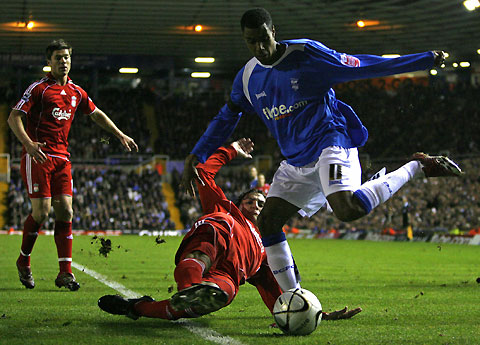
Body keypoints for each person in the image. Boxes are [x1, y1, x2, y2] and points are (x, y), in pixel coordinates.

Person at [181, 8, 463, 292]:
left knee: (347, 208)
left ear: (273, 31)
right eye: (251, 41)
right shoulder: (247, 77)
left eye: (263, 38)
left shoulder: (306, 54)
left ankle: (416, 168)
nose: (259, 47)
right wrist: (199, 152)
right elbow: (228, 116)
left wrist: (422, 60)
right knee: (268, 223)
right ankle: (292, 299)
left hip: (330, 141)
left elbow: (362, 66)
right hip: (295, 159)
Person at [98, 139, 361, 322]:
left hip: (227, 273)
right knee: (216, 230)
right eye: (250, 201)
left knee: (220, 295)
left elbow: (277, 294)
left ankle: (137, 307)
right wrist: (231, 149)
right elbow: (203, 172)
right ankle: (188, 288)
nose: (256, 206)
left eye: (261, 203)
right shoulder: (226, 208)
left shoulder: (265, 249)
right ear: (239, 203)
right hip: (215, 238)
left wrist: (310, 313)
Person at [8, 39, 138, 291]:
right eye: (58, 57)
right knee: (42, 213)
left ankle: (65, 273)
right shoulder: (39, 89)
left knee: (66, 212)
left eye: (66, 57)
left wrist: (119, 134)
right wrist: (30, 145)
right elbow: (14, 117)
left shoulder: (77, 92)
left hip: (62, 158)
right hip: (38, 156)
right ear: (49, 62)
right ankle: (23, 260)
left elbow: (96, 113)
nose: (63, 61)